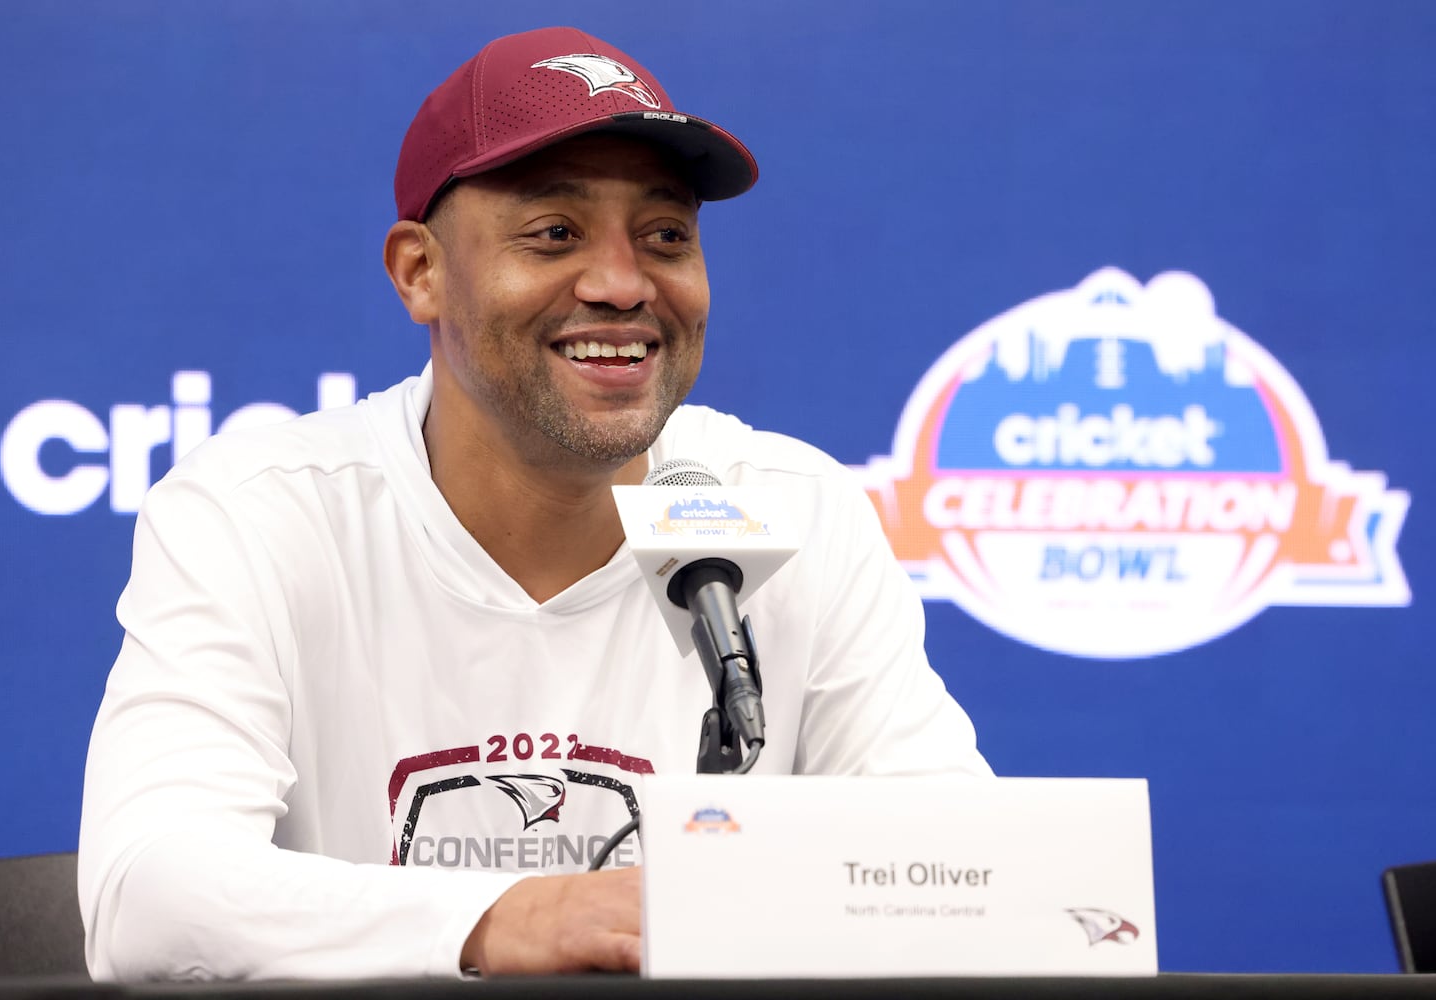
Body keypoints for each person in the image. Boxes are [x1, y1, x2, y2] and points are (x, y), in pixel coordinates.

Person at [78, 25, 992, 981]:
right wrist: (503, 919)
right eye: (555, 234)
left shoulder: (790, 510)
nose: (622, 284)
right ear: (419, 272)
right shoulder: (259, 515)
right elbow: (149, 897)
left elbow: (964, 877)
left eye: (665, 236)